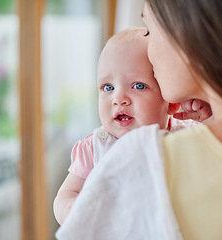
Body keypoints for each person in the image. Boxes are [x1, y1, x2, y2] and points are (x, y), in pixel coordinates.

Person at [56, 0, 222, 239]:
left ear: (190, 33)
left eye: (148, 30)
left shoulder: (142, 161)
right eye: (107, 87)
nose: (148, 51)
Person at [53, 26, 202, 225]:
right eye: (108, 87)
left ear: (171, 101)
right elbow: (65, 195)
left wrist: (207, 116)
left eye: (138, 86)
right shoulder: (94, 148)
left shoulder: (188, 135)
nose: (118, 99)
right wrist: (71, 209)